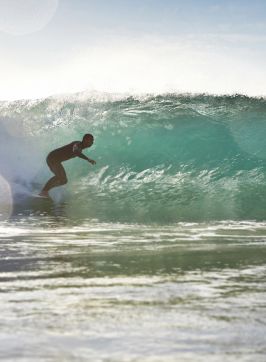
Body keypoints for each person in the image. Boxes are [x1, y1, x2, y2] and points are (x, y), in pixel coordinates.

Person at [39, 133, 96, 198]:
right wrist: (87, 159)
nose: (92, 142)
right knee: (59, 176)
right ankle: (44, 191)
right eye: (91, 140)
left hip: (55, 160)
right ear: (86, 140)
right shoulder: (77, 144)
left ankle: (46, 189)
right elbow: (75, 151)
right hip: (52, 158)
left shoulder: (80, 147)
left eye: (92, 141)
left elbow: (77, 152)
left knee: (64, 180)